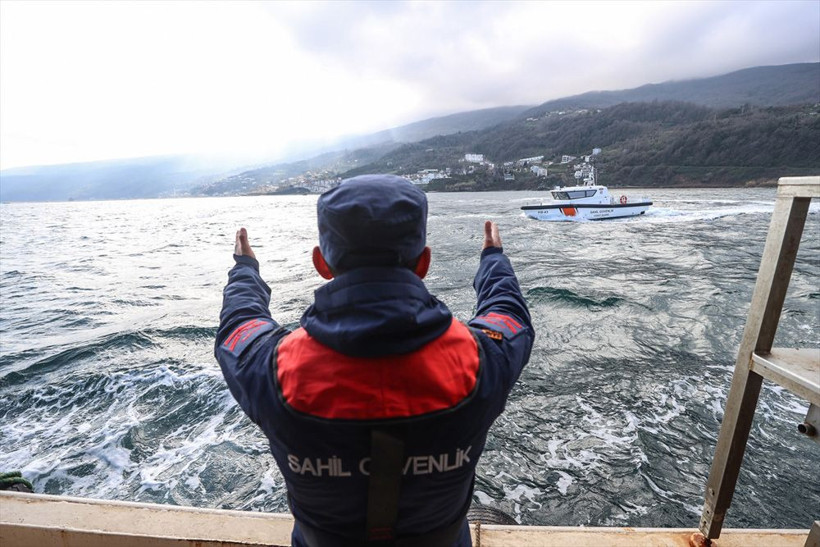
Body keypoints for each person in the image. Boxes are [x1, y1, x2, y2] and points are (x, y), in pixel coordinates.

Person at [215, 174, 533, 546]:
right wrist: (493, 260)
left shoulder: (272, 370)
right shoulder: (480, 359)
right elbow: (508, 316)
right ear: (424, 263)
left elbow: (241, 323)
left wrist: (245, 270)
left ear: (321, 263)